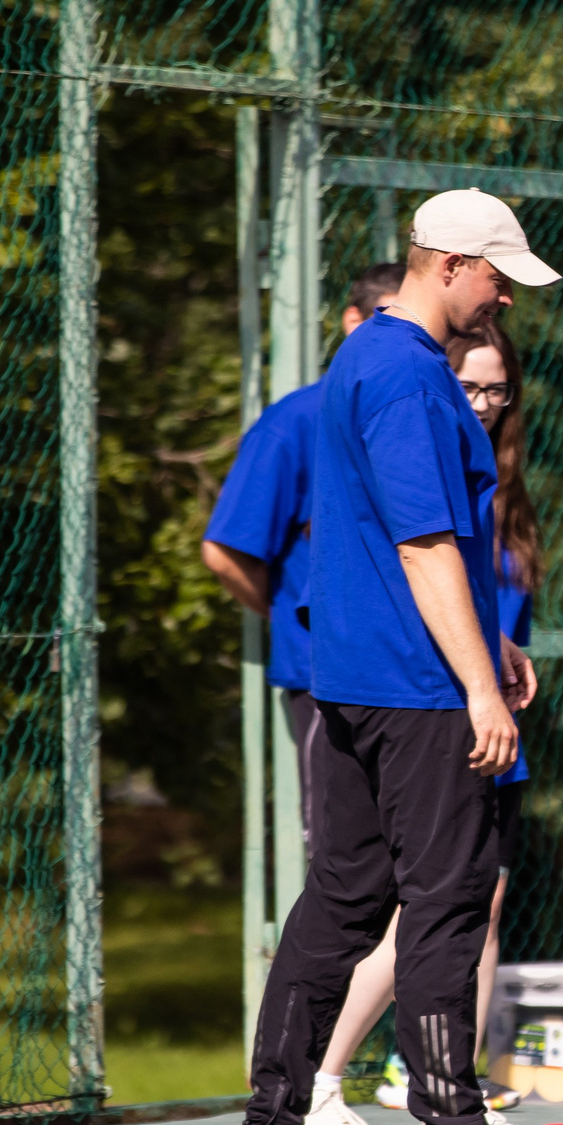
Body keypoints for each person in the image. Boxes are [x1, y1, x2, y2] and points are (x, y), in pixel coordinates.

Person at [225, 188, 555, 1125]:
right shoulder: (413, 376)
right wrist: (478, 689)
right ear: (448, 262)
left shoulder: (355, 364)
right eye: (497, 275)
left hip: (350, 681)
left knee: (341, 896)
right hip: (416, 691)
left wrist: (490, 640)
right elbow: (421, 541)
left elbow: (384, 540)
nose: (503, 297)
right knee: (450, 894)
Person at [303, 316, 544, 1125]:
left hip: (484, 711)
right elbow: (417, 560)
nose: (482, 403)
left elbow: (470, 591)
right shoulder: (402, 418)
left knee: (476, 908)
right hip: (425, 706)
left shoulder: (493, 482)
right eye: (468, 385)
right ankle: (319, 1085)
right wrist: (477, 685)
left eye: (496, 389)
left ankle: (447, 1093)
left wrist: (499, 657)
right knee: (408, 910)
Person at [201, 263, 406, 855]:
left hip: (418, 671)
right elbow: (224, 551)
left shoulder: (427, 403)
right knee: (346, 853)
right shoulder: (297, 419)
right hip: (328, 675)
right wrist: (287, 612)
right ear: (352, 321)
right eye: (388, 316)